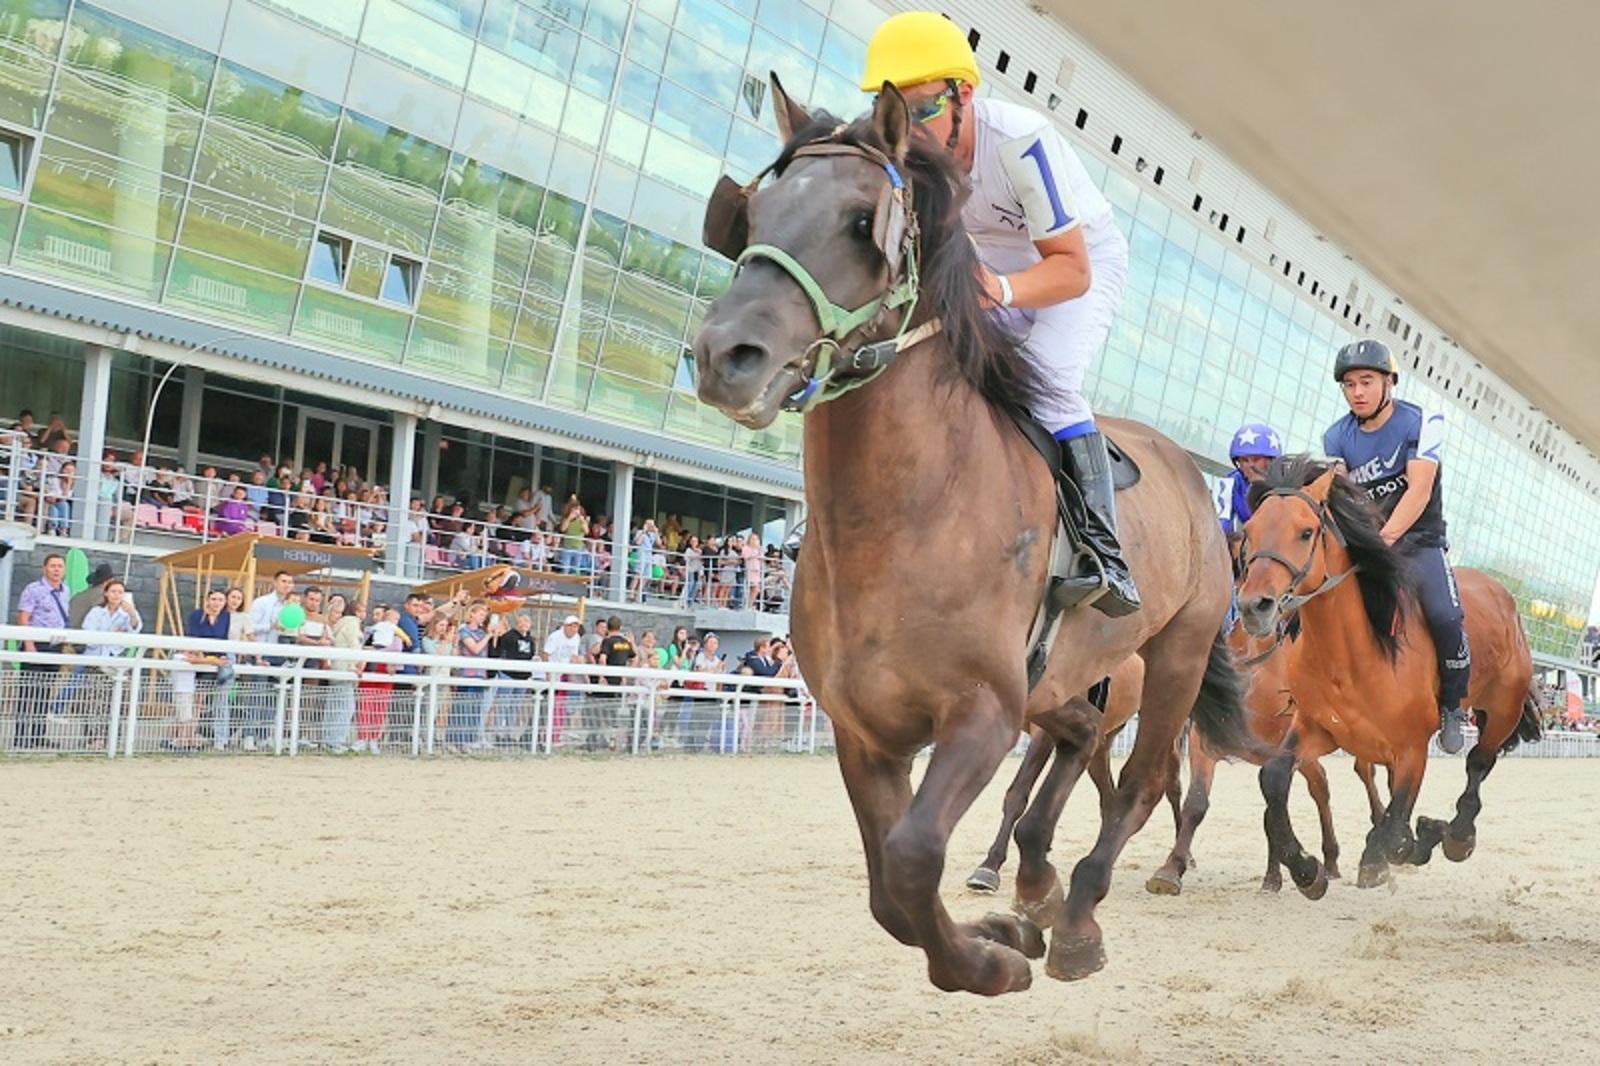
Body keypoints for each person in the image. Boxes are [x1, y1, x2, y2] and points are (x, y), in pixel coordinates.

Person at [859, 12, 1137, 615]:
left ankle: (1102, 552)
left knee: (1047, 379)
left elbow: (1071, 269)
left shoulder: (1021, 140)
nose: (913, 132)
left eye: (925, 110)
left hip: (1078, 262)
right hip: (992, 268)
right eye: (899, 115)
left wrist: (1002, 292)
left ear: (965, 95)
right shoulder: (904, 156)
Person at [1322, 339, 1471, 753]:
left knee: (1444, 615)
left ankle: (1453, 706)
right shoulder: (1335, 436)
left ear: (1389, 382)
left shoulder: (1423, 422)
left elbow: (1418, 492)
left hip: (1419, 541)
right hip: (1368, 544)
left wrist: (1382, 543)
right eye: (1349, 384)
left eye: (1366, 381)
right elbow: (1345, 498)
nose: (1358, 392)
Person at [13, 553, 71, 749]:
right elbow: (23, 617)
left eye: (60, 566)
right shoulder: (34, 589)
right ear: (44, 569)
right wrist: (28, 643)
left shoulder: (66, 590)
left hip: (54, 645)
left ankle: (38, 735)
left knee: (45, 691)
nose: (56, 570)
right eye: (53, 566)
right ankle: (21, 737)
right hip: (35, 643)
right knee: (28, 690)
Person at [1216, 423, 1283, 537]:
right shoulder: (1230, 483)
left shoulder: (1286, 487)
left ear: (1271, 461)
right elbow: (1222, 525)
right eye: (1245, 460)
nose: (1251, 465)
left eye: (1256, 459)